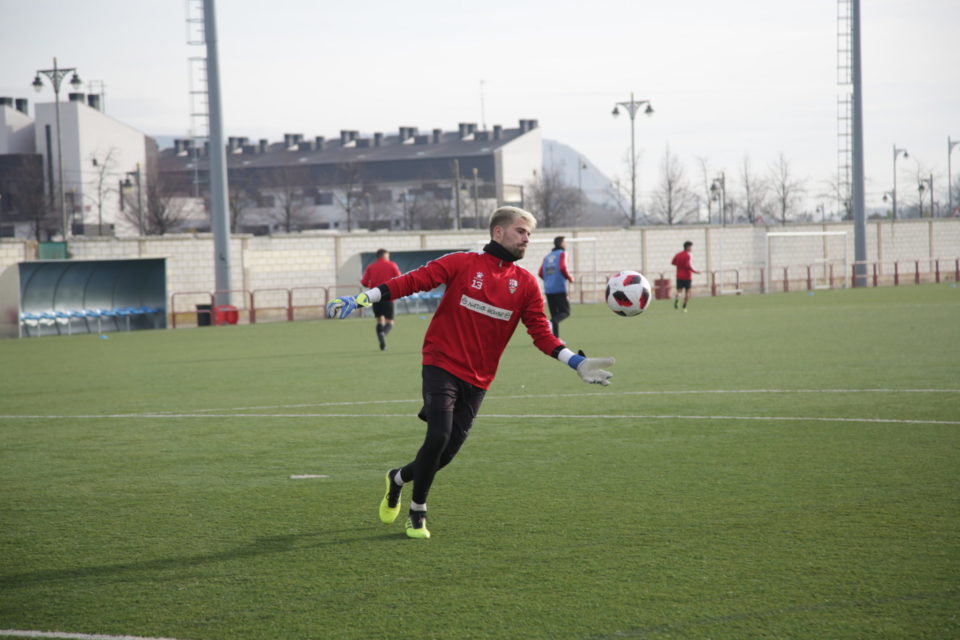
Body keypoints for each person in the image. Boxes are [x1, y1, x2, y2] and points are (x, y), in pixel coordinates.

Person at [327, 207, 615, 540]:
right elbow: (412, 281)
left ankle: (397, 479)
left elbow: (541, 333)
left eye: (529, 234)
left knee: (445, 455)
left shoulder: (526, 285)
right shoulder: (462, 263)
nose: (527, 239)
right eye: (521, 231)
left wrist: (575, 362)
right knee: (437, 437)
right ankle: (417, 512)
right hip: (441, 363)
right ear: (498, 233)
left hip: (479, 379)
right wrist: (364, 297)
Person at [360, 248, 402, 350]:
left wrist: (372, 285)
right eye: (388, 256)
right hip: (388, 296)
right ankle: (383, 334)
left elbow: (364, 282)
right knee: (390, 322)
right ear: (384, 256)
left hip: (375, 297)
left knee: (379, 320)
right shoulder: (392, 265)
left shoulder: (370, 267)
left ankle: (381, 340)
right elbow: (400, 278)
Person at [538, 236, 575, 337]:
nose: (566, 244)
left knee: (555, 316)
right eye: (565, 242)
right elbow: (563, 267)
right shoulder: (563, 254)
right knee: (565, 312)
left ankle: (556, 340)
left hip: (548, 289)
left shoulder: (547, 256)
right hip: (559, 288)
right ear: (561, 243)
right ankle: (549, 323)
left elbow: (540, 273)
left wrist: (549, 280)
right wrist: (570, 278)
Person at [671, 241, 700, 312]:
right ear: (687, 247)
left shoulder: (678, 254)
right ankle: (684, 307)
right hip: (687, 276)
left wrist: (680, 266)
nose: (691, 248)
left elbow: (673, 262)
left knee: (679, 291)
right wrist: (695, 271)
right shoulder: (688, 255)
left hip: (679, 276)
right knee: (688, 292)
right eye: (690, 247)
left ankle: (677, 298)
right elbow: (688, 265)